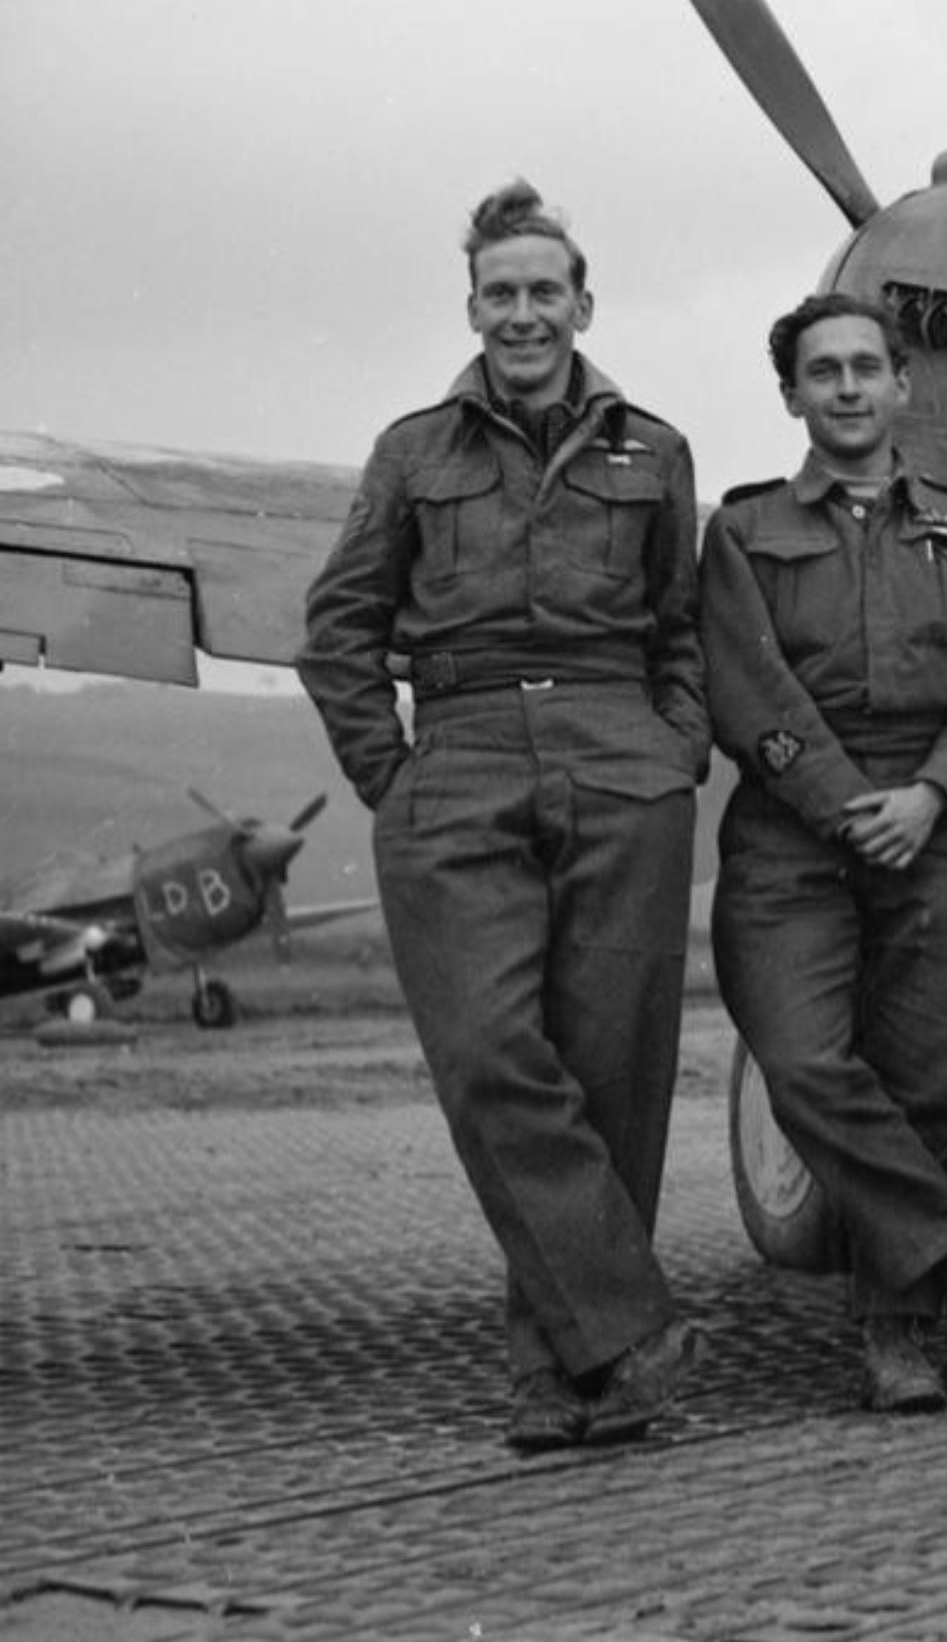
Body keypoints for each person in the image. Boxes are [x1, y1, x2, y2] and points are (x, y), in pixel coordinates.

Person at [298, 181, 711, 1449]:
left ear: (583, 303)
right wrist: (397, 774)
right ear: (471, 307)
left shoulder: (657, 449)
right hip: (460, 756)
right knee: (487, 1055)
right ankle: (628, 1322)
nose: (522, 313)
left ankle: (564, 1374)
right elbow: (340, 631)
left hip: (617, 757)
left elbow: (681, 628)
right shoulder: (412, 452)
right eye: (500, 293)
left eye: (544, 291)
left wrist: (670, 749)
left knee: (611, 1075)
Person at [701, 292, 947, 1414]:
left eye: (865, 367)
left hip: (936, 820)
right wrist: (849, 803)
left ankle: (899, 1335)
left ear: (905, 384)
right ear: (791, 395)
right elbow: (747, 689)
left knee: (934, 1084)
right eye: (821, 371)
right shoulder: (743, 532)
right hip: (795, 828)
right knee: (800, 1060)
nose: (846, 387)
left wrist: (933, 795)